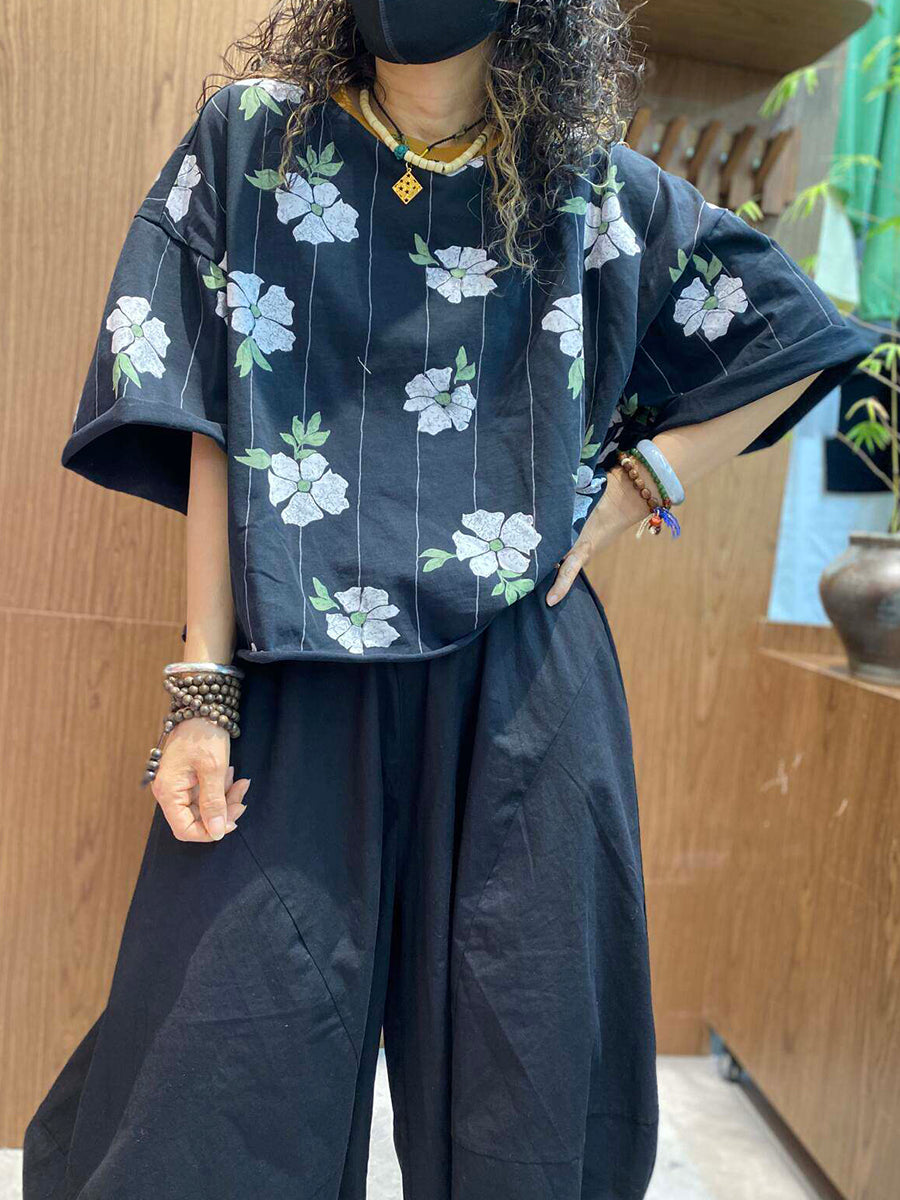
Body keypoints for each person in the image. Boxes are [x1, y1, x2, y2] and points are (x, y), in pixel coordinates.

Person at [23, 1, 872, 1197]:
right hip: (297, 664)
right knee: (208, 1091)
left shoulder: (584, 186)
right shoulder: (253, 140)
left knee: (530, 1092)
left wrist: (637, 487)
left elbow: (799, 330)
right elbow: (210, 412)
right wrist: (202, 690)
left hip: (522, 685)